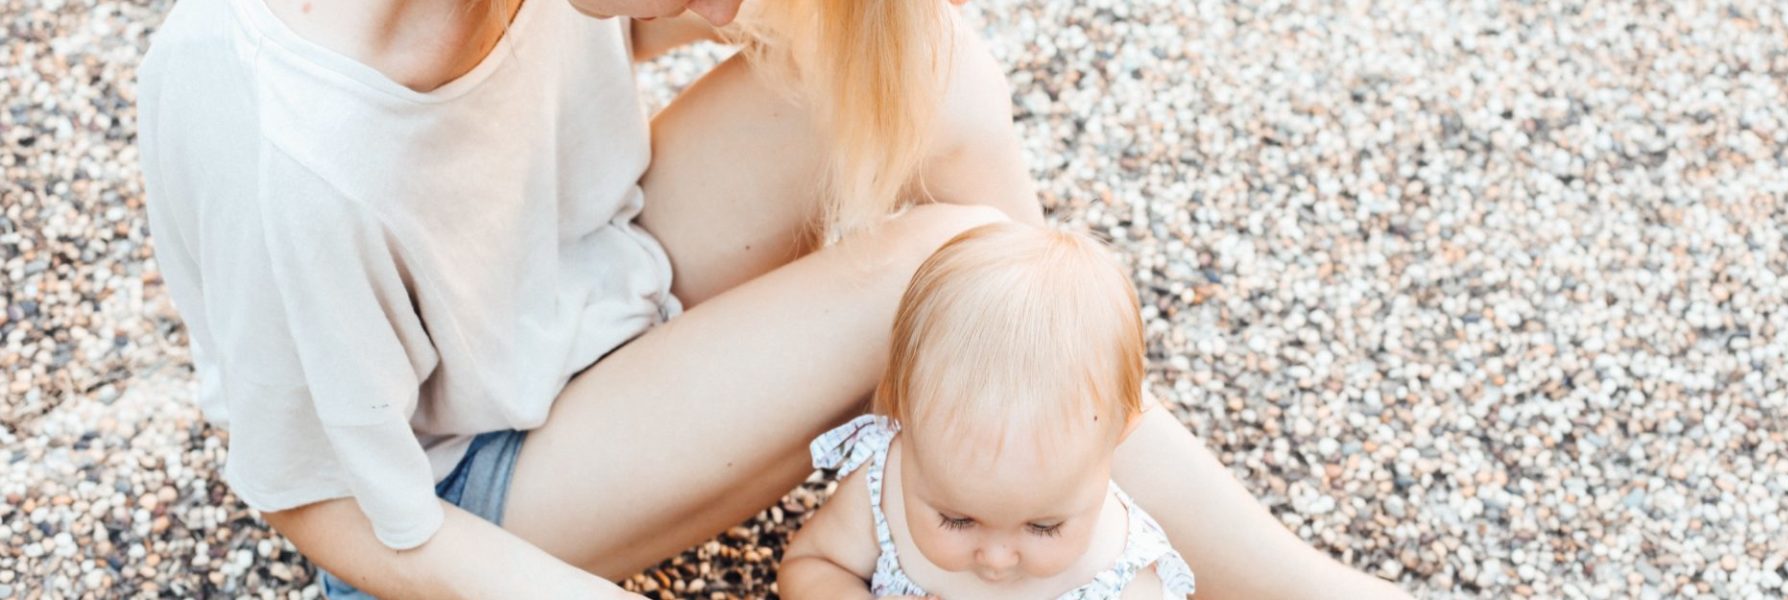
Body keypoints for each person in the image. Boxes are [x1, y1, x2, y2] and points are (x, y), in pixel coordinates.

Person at [134, 0, 1408, 596]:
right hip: (465, 482)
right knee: (933, 261)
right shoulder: (284, 131)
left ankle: (1028, 480)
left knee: (928, 63)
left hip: (590, 279)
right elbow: (328, 510)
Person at [782, 222, 1196, 599]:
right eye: (957, 520)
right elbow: (813, 566)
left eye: (1044, 526)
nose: (996, 559)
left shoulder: (1124, 581)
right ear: (901, 416)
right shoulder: (884, 483)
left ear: (1118, 434)